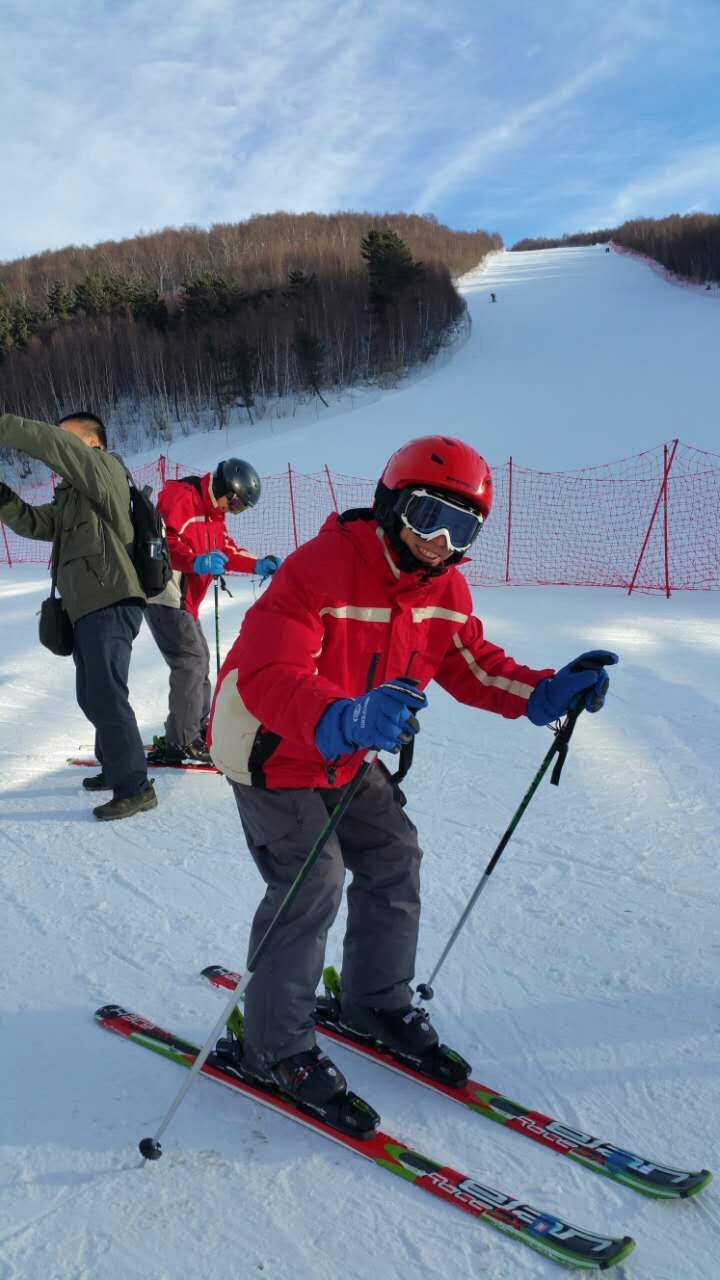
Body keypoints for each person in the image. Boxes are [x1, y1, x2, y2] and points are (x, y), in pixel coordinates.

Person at [207, 435, 618, 1125]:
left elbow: (471, 662)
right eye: (429, 517)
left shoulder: (444, 589)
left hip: (346, 748)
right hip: (268, 743)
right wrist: (342, 717)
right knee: (311, 878)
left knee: (395, 853)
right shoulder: (320, 569)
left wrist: (544, 693)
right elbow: (269, 674)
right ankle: (272, 1046)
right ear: (393, 503)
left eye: (462, 528)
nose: (440, 541)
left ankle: (372, 1001)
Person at [0, 410, 156, 821]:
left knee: (107, 695)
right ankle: (115, 767)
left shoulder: (103, 471)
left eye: (68, 438)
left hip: (110, 598)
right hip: (85, 605)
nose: (60, 443)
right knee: (92, 696)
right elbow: (35, 524)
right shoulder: (72, 496)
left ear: (92, 443)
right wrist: (5, 499)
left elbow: (53, 445)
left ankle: (135, 788)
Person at [145, 458, 282, 765]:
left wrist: (257, 563)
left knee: (198, 660)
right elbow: (160, 541)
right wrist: (194, 561)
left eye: (240, 509)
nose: (233, 511)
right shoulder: (181, 498)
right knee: (191, 662)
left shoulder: (214, 513)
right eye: (235, 505)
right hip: (165, 592)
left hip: (185, 598)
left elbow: (225, 549)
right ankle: (182, 740)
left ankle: (194, 727)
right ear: (224, 489)